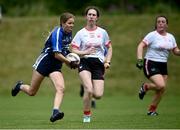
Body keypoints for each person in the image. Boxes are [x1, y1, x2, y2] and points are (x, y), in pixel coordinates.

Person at [11, 12, 78, 122]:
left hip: (56, 65)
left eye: (73, 23)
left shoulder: (69, 33)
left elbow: (64, 51)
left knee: (61, 88)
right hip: (45, 62)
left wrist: (71, 60)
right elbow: (56, 54)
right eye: (69, 23)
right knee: (32, 92)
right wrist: (69, 62)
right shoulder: (58, 33)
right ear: (62, 23)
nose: (72, 25)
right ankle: (20, 86)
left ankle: (55, 112)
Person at [71, 6, 112, 122]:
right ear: (86, 16)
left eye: (94, 15)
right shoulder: (80, 33)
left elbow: (109, 48)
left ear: (97, 18)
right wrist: (85, 52)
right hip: (85, 61)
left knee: (98, 94)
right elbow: (73, 50)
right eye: (89, 14)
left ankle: (86, 88)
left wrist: (107, 61)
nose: (91, 17)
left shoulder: (102, 32)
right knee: (89, 89)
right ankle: (86, 116)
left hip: (98, 63)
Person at [136, 15, 180, 116]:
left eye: (163, 22)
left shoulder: (171, 37)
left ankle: (151, 110)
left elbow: (175, 51)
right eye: (158, 22)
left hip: (163, 64)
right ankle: (145, 86)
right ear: (156, 24)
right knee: (161, 85)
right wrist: (139, 59)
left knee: (162, 89)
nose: (160, 23)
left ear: (167, 25)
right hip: (150, 62)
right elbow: (141, 45)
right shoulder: (152, 35)